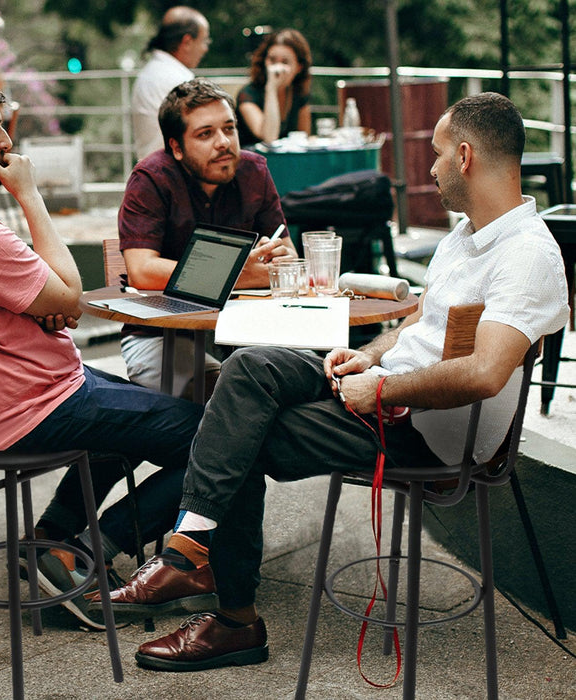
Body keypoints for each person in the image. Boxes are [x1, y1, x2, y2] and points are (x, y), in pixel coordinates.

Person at [92, 92, 569, 670]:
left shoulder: (527, 254)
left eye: (439, 155)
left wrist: (384, 389)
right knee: (250, 366)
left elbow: (485, 372)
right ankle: (190, 546)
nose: (432, 167)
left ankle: (234, 619)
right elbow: (419, 324)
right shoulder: (465, 235)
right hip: (385, 388)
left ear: (466, 156)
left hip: (426, 428)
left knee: (245, 431)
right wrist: (369, 356)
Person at [0, 67, 208, 631]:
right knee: (211, 436)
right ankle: (91, 547)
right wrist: (30, 196)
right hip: (35, 407)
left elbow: (51, 301)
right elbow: (70, 298)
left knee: (138, 408)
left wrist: (47, 302)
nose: (9, 145)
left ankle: (50, 535)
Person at [119, 77, 297, 398]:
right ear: (175, 147)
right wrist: (238, 277)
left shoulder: (254, 171)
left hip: (243, 329)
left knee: (306, 379)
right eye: (205, 134)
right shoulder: (150, 179)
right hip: (161, 335)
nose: (223, 142)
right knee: (232, 396)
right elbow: (142, 271)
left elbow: (287, 255)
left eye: (229, 129)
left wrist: (275, 261)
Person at [131, 6, 211, 161]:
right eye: (204, 41)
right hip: (170, 174)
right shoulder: (178, 80)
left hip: (152, 168)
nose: (205, 49)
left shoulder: (152, 71)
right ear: (187, 41)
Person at [236, 29, 312, 147]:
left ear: (299, 67)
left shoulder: (299, 94)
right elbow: (269, 138)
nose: (277, 68)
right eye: (272, 60)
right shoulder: (248, 94)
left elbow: (303, 139)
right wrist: (271, 87)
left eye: (285, 62)